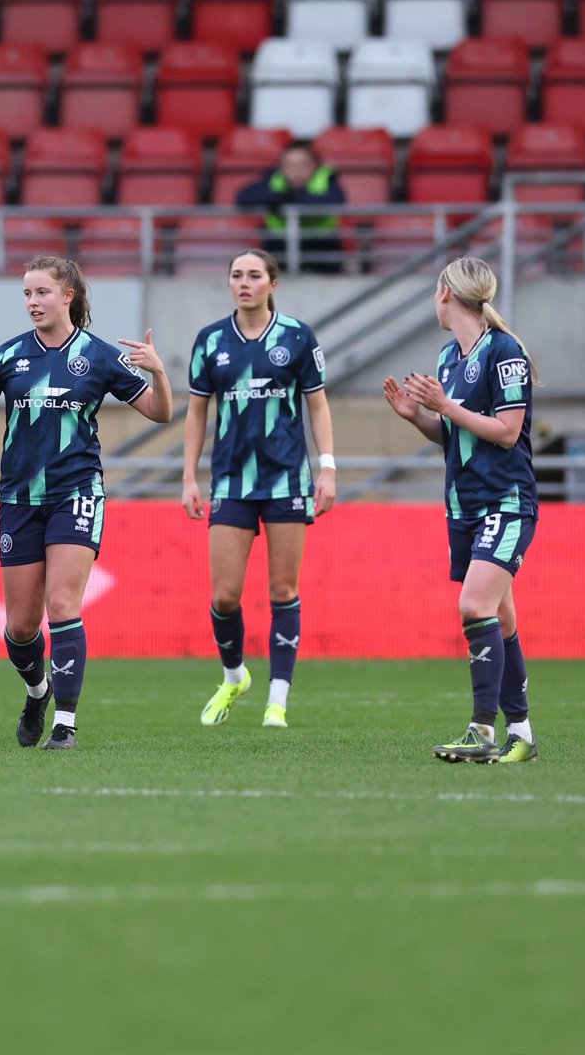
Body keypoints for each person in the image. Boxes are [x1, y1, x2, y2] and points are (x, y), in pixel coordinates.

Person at [0, 255, 172, 750]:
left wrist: (158, 373)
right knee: (21, 628)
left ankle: (65, 723)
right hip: (19, 500)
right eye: (26, 293)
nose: (32, 302)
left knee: (62, 604)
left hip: (77, 492)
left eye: (42, 292)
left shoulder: (99, 356)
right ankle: (37, 691)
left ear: (68, 296)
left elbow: (159, 412)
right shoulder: (7, 356)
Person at [384, 256, 539, 765]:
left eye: (435, 291)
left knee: (474, 605)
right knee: (502, 618)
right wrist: (418, 417)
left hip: (506, 501)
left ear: (446, 294)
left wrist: (445, 406)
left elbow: (507, 431)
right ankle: (522, 735)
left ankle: (481, 729)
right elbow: (455, 433)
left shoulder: (505, 351)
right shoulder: (449, 356)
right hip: (465, 505)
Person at [181, 247, 337, 729]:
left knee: (283, 589)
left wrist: (328, 468)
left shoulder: (297, 336)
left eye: (253, 275)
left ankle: (278, 701)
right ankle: (235, 676)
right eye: (236, 275)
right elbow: (197, 412)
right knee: (224, 597)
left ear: (273, 284)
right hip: (231, 481)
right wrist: (188, 476)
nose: (244, 283)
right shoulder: (210, 341)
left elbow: (317, 405)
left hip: (287, 479)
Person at [235, 140, 346, 271]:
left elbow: (335, 200)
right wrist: (279, 196)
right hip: (279, 245)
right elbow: (243, 197)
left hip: (321, 246)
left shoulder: (327, 178)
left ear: (314, 165)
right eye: (290, 165)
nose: (296, 171)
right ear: (281, 167)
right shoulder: (272, 178)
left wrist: (290, 198)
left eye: (302, 165)